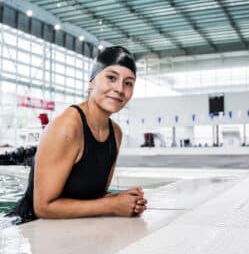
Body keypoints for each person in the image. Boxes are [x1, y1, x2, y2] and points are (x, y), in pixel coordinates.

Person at [7, 46, 147, 223]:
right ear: (91, 82)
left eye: (128, 83)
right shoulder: (68, 126)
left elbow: (92, 195)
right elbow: (43, 207)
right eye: (111, 78)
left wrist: (124, 200)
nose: (120, 88)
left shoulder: (115, 133)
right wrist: (112, 205)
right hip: (24, 225)